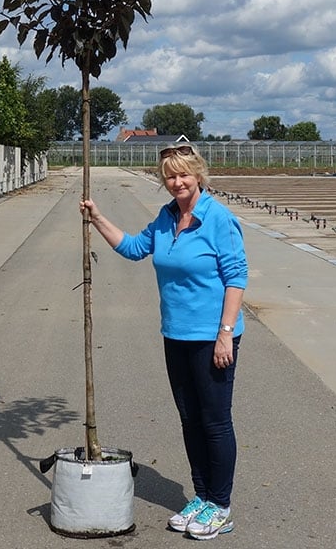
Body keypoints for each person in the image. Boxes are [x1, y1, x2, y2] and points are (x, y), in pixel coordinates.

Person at [80, 144, 248, 541]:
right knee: (190, 420)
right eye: (170, 176)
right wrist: (98, 218)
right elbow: (135, 248)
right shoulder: (166, 217)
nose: (177, 182)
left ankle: (220, 506)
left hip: (212, 337)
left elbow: (236, 278)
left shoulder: (218, 219)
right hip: (176, 334)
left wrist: (225, 334)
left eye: (184, 175)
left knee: (215, 421)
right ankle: (202, 496)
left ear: (199, 175)